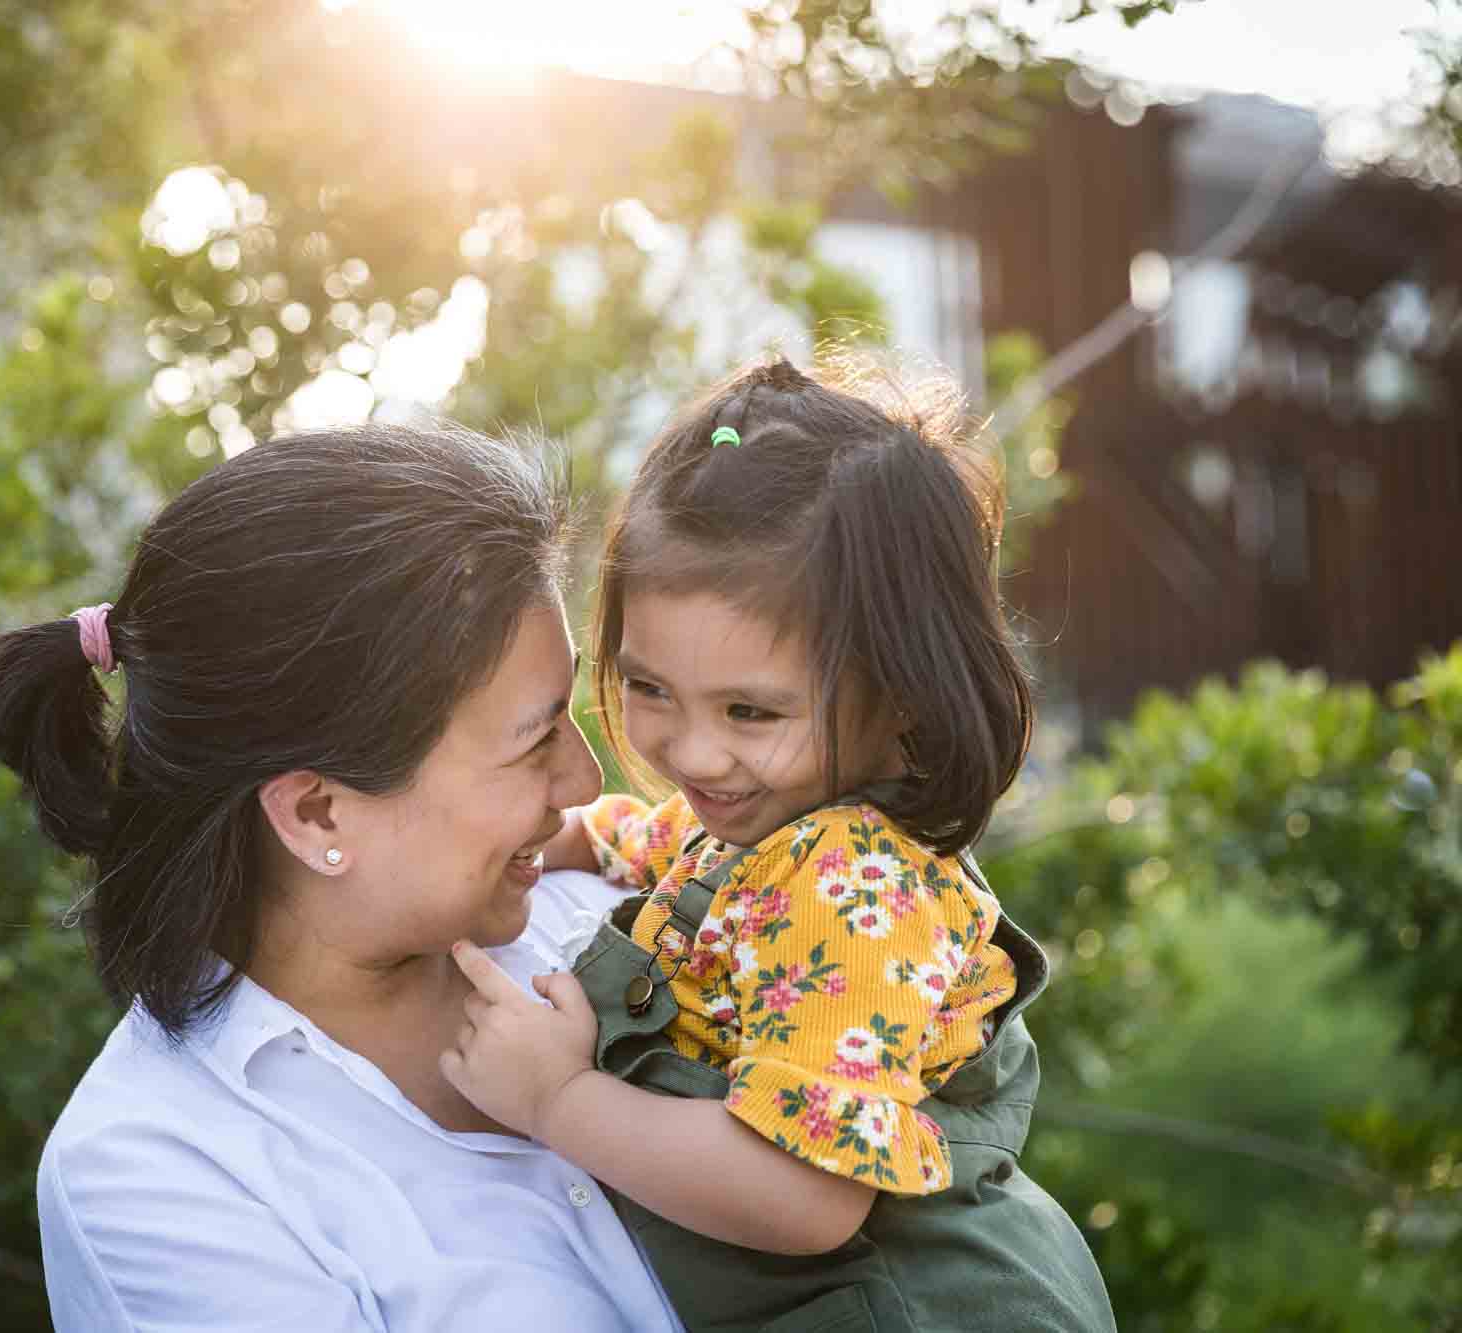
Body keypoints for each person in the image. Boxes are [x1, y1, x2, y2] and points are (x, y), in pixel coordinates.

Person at [439, 357, 1117, 1332]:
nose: (690, 751)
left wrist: (556, 1100)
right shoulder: (760, 818)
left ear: (899, 691)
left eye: (749, 711)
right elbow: (634, 840)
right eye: (650, 688)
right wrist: (511, 829)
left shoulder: (856, 880)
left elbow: (804, 1198)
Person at [0, 422, 686, 1331]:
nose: (587, 782)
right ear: (316, 812)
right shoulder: (156, 1174)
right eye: (534, 738)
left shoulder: (618, 920)